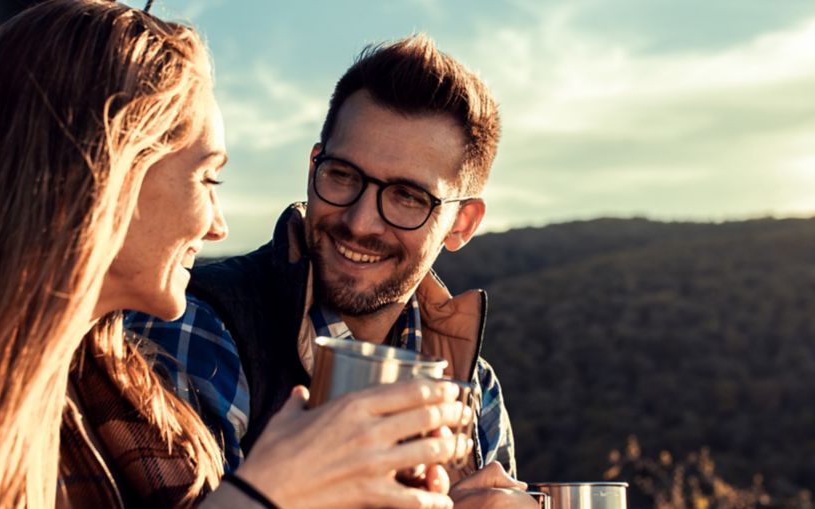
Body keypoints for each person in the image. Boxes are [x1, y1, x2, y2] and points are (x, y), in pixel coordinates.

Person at [0, 2, 472, 508]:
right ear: (103, 182)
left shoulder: (116, 391)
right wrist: (267, 496)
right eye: (208, 177)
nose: (216, 226)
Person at [127, 35, 534, 506]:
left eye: (407, 197)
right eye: (343, 175)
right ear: (313, 165)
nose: (360, 222)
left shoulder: (474, 389)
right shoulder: (196, 325)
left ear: (461, 224)